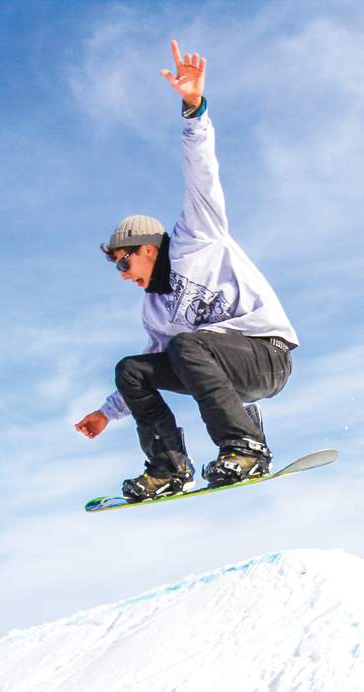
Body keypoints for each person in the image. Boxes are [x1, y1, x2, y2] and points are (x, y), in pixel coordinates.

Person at [75, 40, 298, 500]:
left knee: (186, 345)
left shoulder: (199, 232)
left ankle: (245, 445)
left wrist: (193, 108)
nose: (123, 275)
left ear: (149, 247)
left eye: (124, 261)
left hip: (267, 355)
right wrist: (105, 413)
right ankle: (169, 467)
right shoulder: (155, 310)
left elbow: (201, 170)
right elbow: (156, 366)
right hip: (212, 368)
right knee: (133, 368)